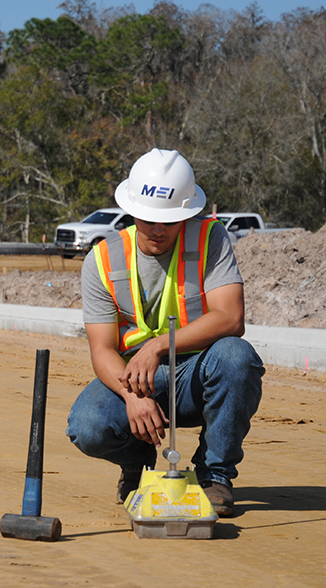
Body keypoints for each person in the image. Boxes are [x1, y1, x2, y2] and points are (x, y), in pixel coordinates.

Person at [66, 148, 264, 517]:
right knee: (88, 425)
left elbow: (231, 318)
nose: (158, 229)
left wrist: (158, 345)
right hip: (136, 379)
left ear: (187, 213)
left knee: (237, 357)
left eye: (169, 221)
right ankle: (136, 466)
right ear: (133, 210)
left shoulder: (212, 239)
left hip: (198, 372)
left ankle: (214, 476)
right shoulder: (103, 259)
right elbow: (102, 350)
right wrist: (131, 397)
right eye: (149, 219)